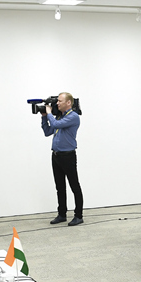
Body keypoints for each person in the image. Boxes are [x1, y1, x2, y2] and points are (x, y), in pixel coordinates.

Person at [41, 92, 83, 226]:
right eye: (57, 101)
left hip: (68, 156)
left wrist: (49, 113)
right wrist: (44, 117)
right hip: (56, 156)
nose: (57, 103)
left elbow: (56, 125)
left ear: (68, 103)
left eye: (60, 101)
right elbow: (48, 131)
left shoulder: (73, 116)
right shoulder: (59, 117)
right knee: (60, 187)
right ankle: (62, 214)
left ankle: (78, 215)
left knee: (74, 186)